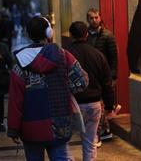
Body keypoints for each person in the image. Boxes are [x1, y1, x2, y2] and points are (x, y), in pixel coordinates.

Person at [7, 16, 89, 161]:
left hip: (31, 128)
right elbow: (82, 81)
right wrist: (65, 88)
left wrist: (13, 129)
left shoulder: (20, 62)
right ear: (49, 33)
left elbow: (15, 100)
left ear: (29, 34)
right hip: (60, 125)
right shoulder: (63, 56)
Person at [66, 21, 115, 161]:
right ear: (86, 35)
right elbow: (107, 83)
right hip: (94, 104)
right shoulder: (97, 55)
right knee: (90, 141)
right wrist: (110, 106)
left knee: (64, 141)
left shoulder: (65, 54)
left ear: (71, 35)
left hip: (71, 103)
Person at [86, 8, 120, 145]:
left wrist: (113, 75)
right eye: (91, 18)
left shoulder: (107, 35)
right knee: (99, 103)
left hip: (104, 75)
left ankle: (100, 132)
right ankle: (105, 131)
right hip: (91, 75)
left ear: (100, 18)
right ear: (87, 20)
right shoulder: (86, 36)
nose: (94, 20)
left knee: (101, 103)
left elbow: (113, 57)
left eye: (96, 17)